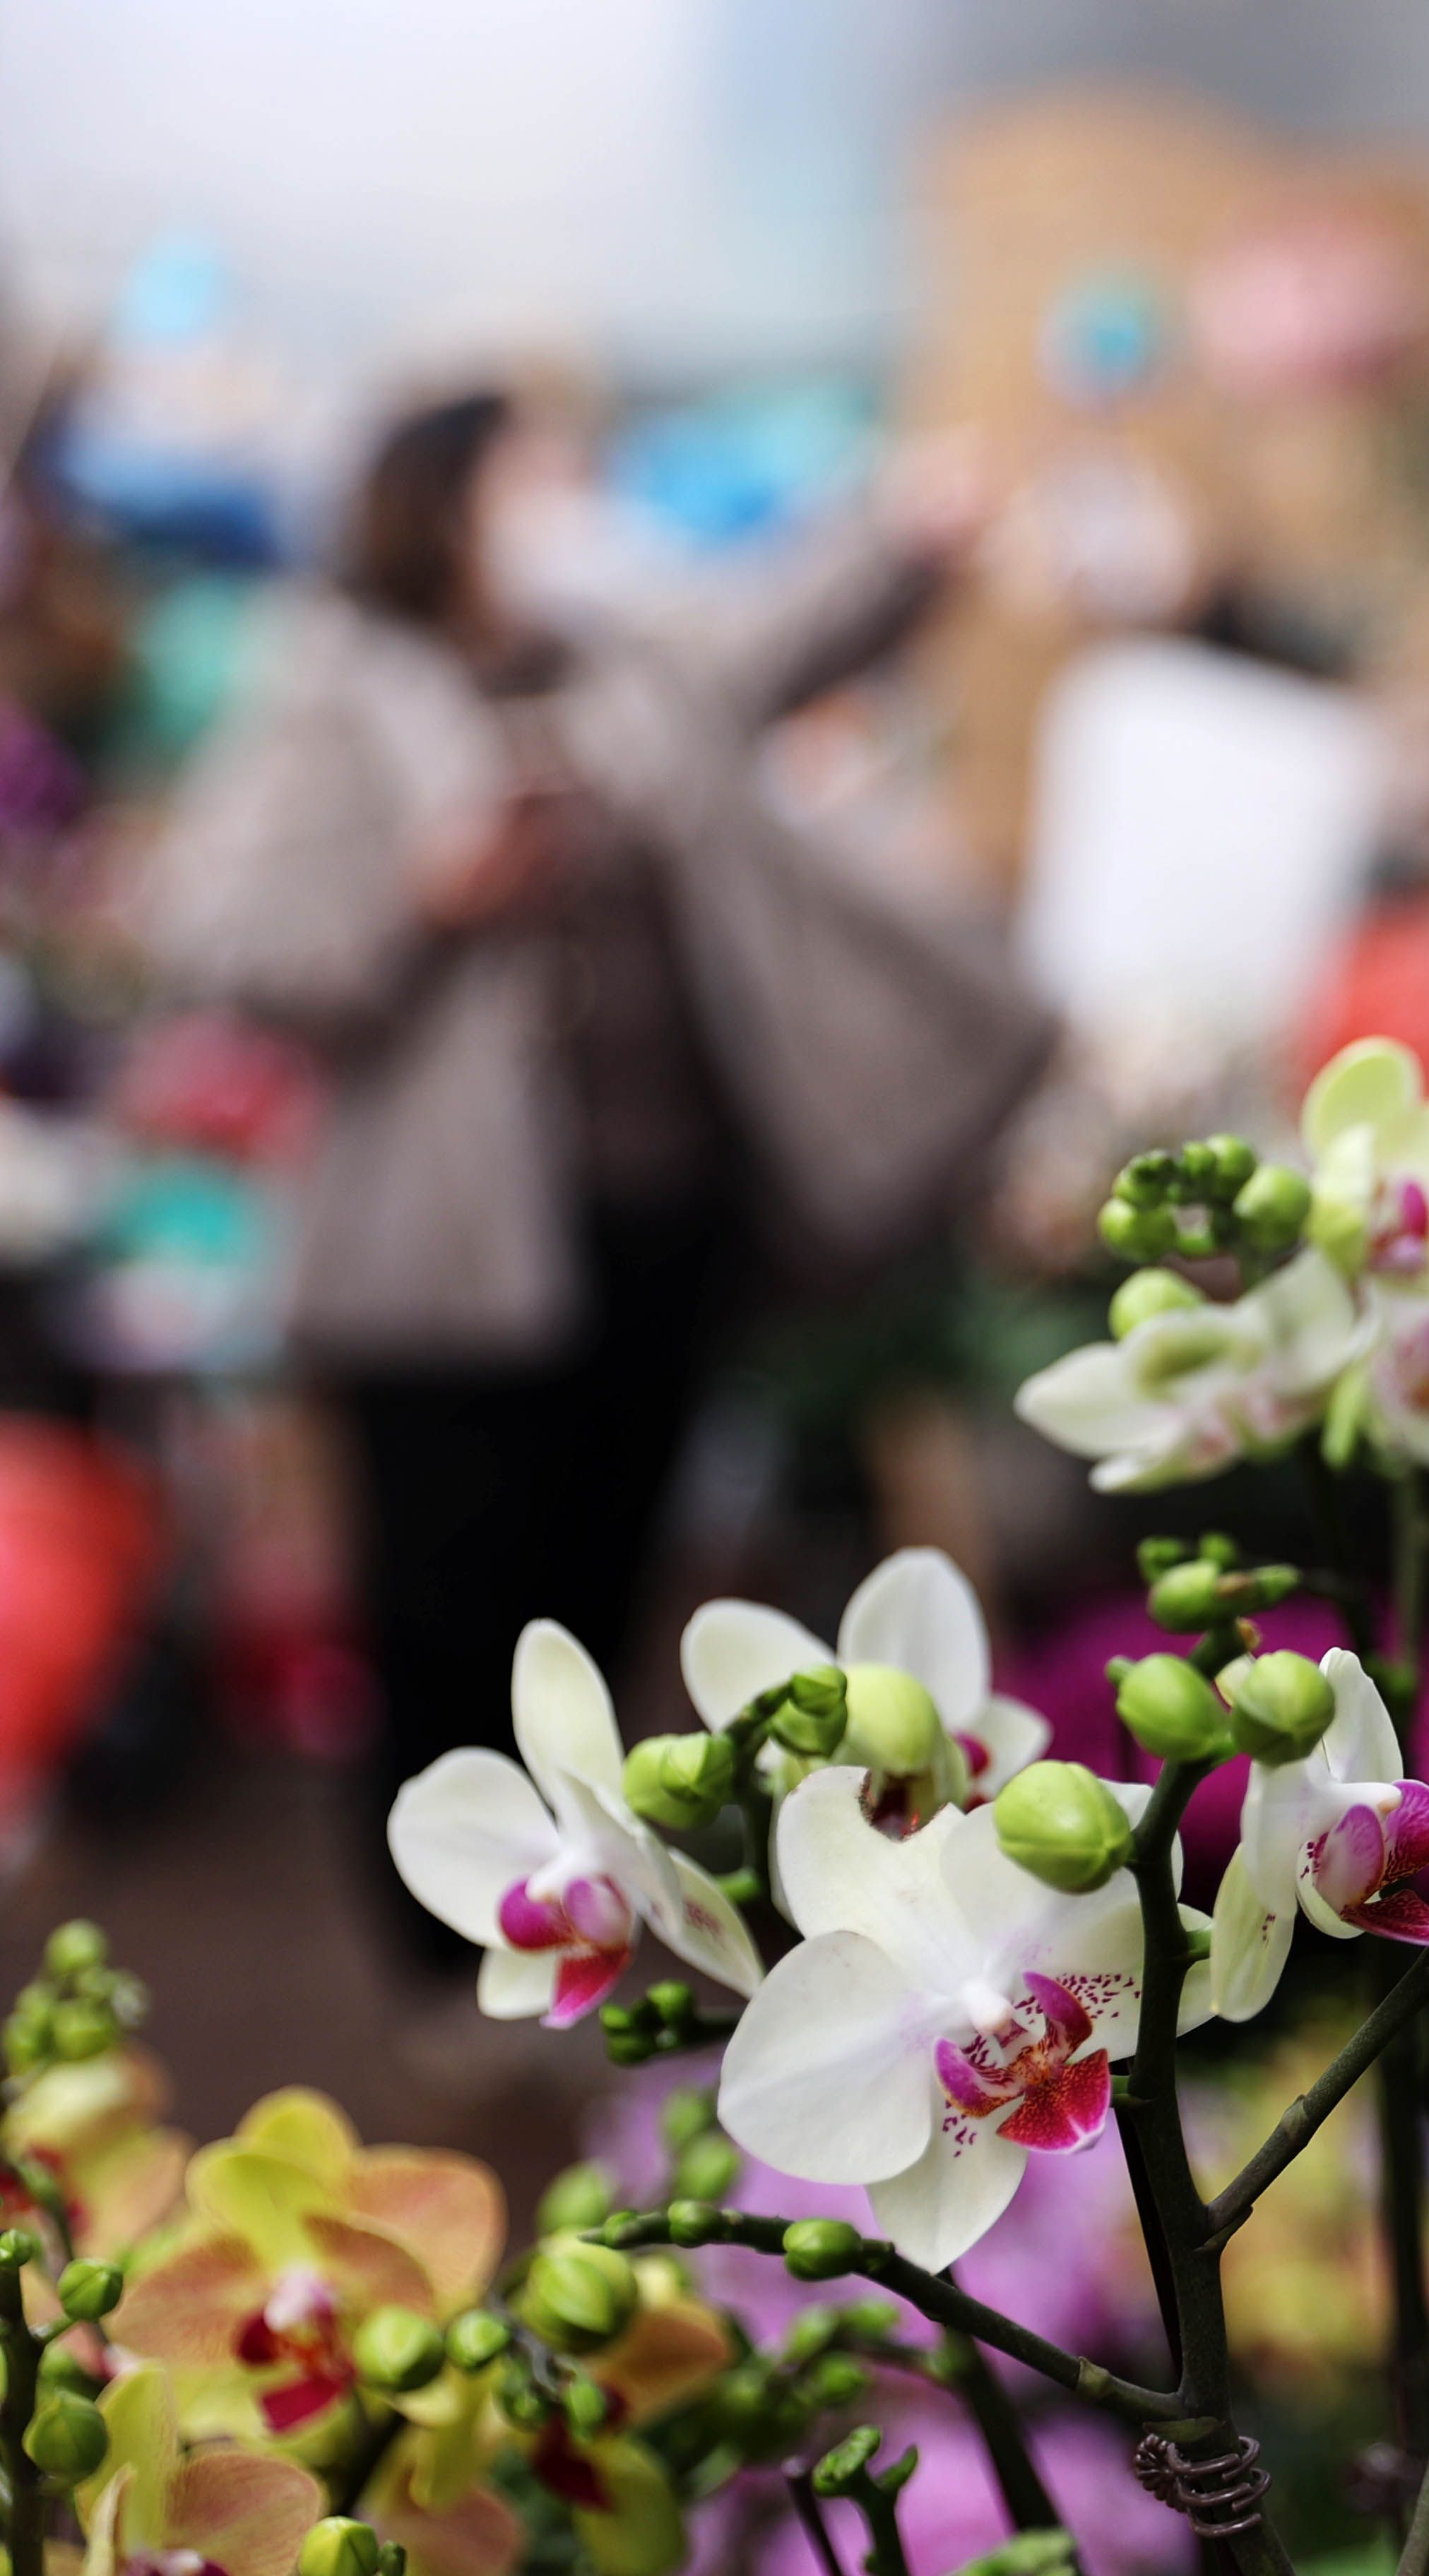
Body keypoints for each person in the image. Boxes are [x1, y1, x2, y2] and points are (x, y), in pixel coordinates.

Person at [138, 387, 1052, 1949]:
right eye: (536, 472)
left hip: (656, 1220)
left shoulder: (636, 667)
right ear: (439, 501)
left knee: (605, 1586)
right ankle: (446, 1952)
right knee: (442, 1616)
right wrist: (425, 901)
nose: (573, 499)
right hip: (440, 1255)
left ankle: (590, 1908)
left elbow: (801, 622)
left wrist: (915, 538)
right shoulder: (335, 688)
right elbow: (215, 937)